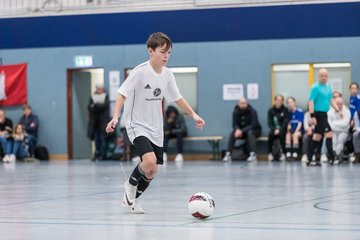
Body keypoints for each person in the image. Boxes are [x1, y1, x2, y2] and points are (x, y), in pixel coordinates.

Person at [105, 32, 205, 214]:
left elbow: (177, 98)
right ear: (150, 51)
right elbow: (122, 94)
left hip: (156, 128)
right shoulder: (140, 72)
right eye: (162, 52)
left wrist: (194, 115)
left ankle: (133, 200)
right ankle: (130, 184)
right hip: (137, 124)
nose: (166, 56)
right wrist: (115, 116)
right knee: (149, 161)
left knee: (152, 171)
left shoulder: (167, 75)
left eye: (169, 53)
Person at [307, 68, 342, 166]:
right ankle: (332, 158)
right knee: (329, 134)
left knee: (317, 137)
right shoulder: (315, 87)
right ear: (318, 76)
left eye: (325, 75)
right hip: (318, 114)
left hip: (324, 114)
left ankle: (309, 159)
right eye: (321, 75)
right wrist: (312, 116)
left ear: (328, 77)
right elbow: (311, 101)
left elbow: (330, 100)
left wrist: (337, 110)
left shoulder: (328, 87)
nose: (323, 77)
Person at [223, 97, 261, 162]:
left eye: (245, 103)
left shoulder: (252, 111)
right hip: (241, 132)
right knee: (232, 133)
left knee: (250, 133)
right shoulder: (235, 112)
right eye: (241, 103)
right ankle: (228, 154)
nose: (243, 105)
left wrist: (241, 131)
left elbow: (253, 125)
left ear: (247, 103)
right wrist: (237, 129)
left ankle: (253, 155)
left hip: (255, 131)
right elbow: (234, 124)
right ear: (238, 104)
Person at [87, 84, 110, 160]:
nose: (99, 90)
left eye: (100, 89)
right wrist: (97, 106)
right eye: (98, 89)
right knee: (96, 139)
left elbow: (104, 106)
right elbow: (89, 107)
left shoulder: (106, 97)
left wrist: (95, 105)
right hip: (95, 123)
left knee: (103, 138)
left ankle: (103, 155)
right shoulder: (92, 97)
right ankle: (97, 154)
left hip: (103, 122)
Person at [327, 96, 351, 164]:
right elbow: (330, 125)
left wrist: (334, 123)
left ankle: (336, 156)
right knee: (334, 141)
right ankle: (335, 156)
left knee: (340, 140)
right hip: (334, 132)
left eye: (341, 104)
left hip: (344, 132)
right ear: (334, 103)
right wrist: (339, 124)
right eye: (337, 104)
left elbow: (345, 124)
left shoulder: (347, 111)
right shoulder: (329, 112)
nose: (339, 105)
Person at [267, 95, 289, 161]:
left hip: (282, 129)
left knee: (282, 135)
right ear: (275, 101)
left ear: (282, 101)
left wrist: (279, 129)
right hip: (274, 129)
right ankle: (270, 153)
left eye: (281, 100)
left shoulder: (285, 110)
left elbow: (285, 121)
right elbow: (269, 122)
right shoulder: (270, 110)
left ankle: (283, 153)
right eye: (277, 100)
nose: (279, 101)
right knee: (270, 135)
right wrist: (274, 129)